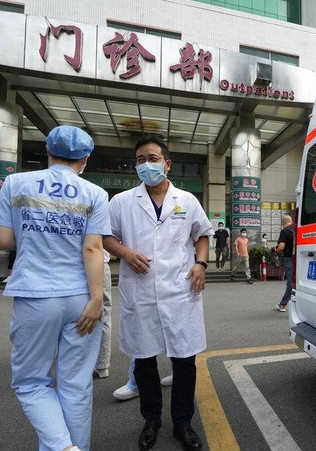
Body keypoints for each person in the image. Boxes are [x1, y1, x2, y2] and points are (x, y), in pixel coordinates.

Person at [0, 125, 109, 451]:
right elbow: (93, 250)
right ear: (84, 159)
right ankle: (74, 447)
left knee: (31, 382)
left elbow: (1, 240)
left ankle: (62, 447)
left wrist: (33, 235)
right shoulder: (95, 193)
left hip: (35, 295)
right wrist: (98, 299)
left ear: (48, 152)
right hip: (80, 298)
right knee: (76, 385)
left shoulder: (15, 183)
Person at [103, 133, 213, 451]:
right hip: (140, 291)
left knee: (184, 361)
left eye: (152, 159)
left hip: (180, 291)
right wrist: (125, 253)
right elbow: (106, 237)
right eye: (140, 160)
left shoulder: (187, 200)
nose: (146, 165)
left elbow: (202, 234)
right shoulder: (122, 202)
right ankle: (151, 420)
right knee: (144, 360)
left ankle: (183, 423)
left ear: (167, 164)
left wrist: (201, 264)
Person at [94, 250, 113, 379]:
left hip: (76, 265)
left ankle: (80, 362)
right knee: (104, 314)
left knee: (78, 313)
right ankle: (103, 365)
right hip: (102, 263)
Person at [274, 215, 295, 312]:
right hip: (299, 258)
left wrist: (276, 250)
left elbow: (281, 247)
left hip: (289, 258)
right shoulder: (297, 230)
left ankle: (283, 304)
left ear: (283, 222)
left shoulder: (284, 231)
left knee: (290, 281)